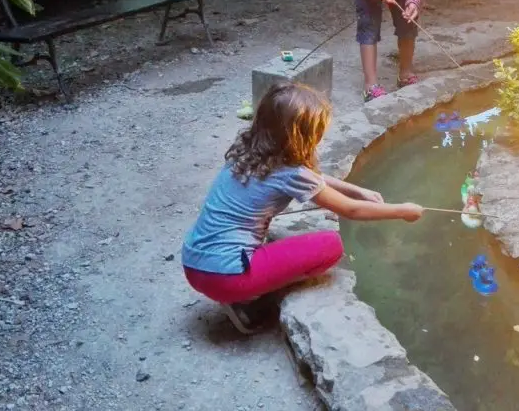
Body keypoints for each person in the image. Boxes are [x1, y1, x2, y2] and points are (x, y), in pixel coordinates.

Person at [181, 82, 424, 332]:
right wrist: (403, 211)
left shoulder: (248, 149)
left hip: (193, 262)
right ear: (301, 136)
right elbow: (351, 210)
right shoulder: (290, 173)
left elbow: (309, 178)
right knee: (331, 245)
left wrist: (356, 189)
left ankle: (244, 291)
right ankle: (250, 304)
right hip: (226, 277)